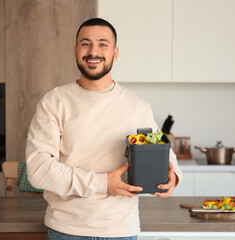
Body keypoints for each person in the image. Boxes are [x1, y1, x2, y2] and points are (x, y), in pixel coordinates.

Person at [26, 18, 182, 240]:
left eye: (102, 44)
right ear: (75, 51)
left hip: (122, 231)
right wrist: (102, 183)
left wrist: (173, 175)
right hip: (67, 230)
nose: (93, 51)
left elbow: (165, 153)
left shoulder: (137, 106)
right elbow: (38, 170)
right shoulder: (54, 103)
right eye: (85, 43)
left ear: (115, 53)